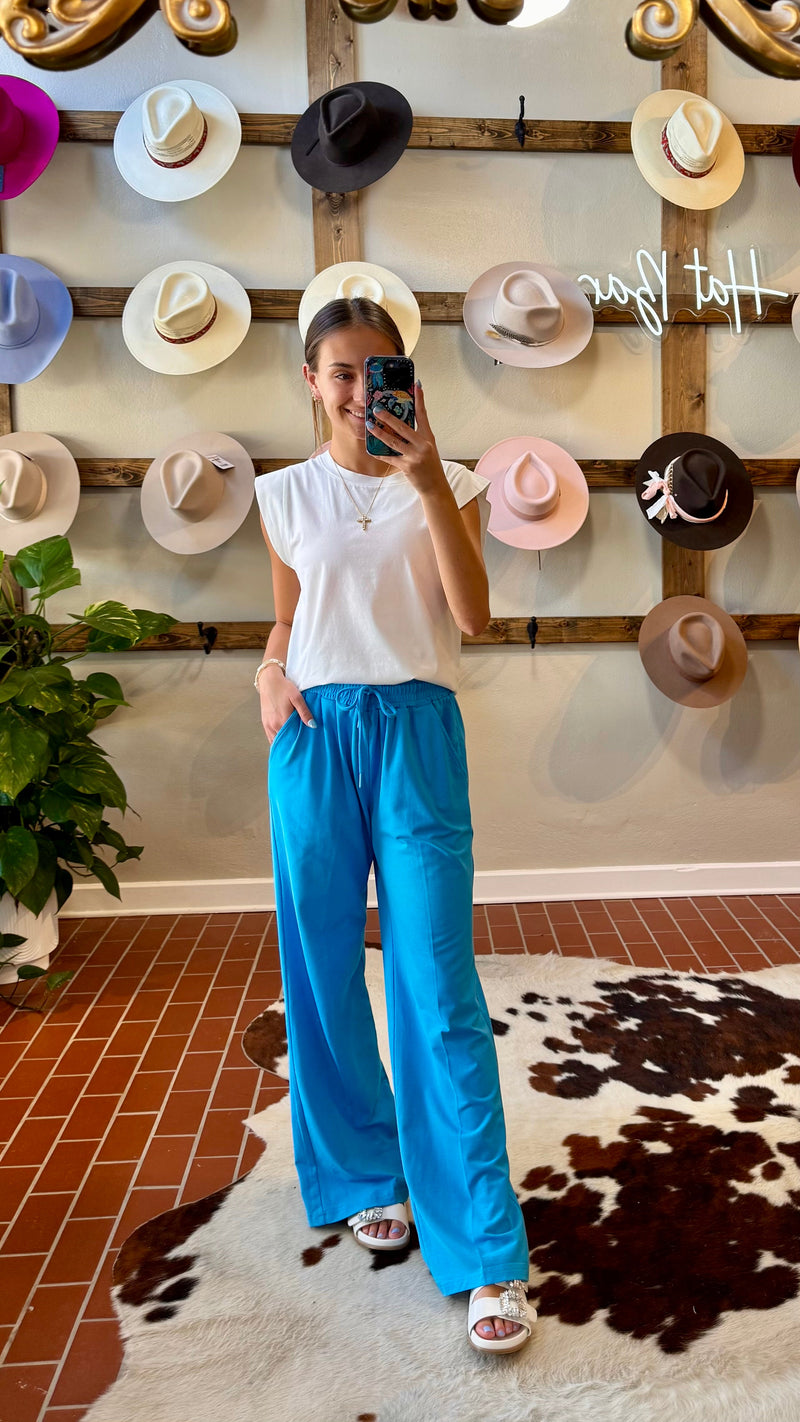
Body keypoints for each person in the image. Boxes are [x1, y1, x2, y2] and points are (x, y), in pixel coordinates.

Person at [254, 295, 534, 1354]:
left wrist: (425, 482)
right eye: (339, 370)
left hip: (416, 733)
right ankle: (367, 1170)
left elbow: (473, 617)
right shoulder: (282, 493)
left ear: (405, 381)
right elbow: (288, 615)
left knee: (438, 984)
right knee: (320, 968)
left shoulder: (452, 483)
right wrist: (269, 670)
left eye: (378, 370)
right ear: (310, 380)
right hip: (313, 735)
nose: (356, 388)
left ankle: (485, 1250)